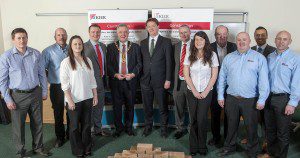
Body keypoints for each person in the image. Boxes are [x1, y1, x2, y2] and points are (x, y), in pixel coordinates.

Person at [0, 28, 51, 157]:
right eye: (19, 38)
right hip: (17, 96)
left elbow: (42, 75)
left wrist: (44, 91)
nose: (22, 40)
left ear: (27, 38)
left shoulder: (36, 53)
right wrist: (7, 99)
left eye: (24, 37)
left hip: (35, 93)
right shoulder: (6, 57)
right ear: (13, 40)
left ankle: (38, 148)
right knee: (18, 127)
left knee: (37, 123)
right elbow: (2, 80)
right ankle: (20, 152)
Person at [217, 32, 269, 157]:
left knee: (251, 127)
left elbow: (263, 81)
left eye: (244, 39)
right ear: (236, 41)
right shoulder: (229, 57)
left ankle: (253, 150)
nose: (241, 42)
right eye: (239, 40)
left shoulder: (259, 58)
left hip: (250, 100)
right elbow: (222, 78)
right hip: (231, 99)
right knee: (231, 125)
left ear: (249, 41)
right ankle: (229, 147)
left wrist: (262, 99)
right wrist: (220, 95)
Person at [60, 35, 98, 157]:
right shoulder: (66, 62)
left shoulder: (88, 60)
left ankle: (87, 148)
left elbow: (92, 80)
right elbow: (64, 84)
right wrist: (70, 100)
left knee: (87, 125)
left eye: (79, 44)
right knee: (75, 127)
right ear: (71, 46)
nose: (78, 46)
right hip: (74, 100)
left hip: (87, 98)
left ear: (82, 46)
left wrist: (95, 96)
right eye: (75, 44)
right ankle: (78, 150)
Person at [264, 31, 300, 158]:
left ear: (290, 41)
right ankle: (270, 153)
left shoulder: (296, 58)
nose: (281, 41)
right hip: (268, 98)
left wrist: (292, 103)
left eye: (285, 39)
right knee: (270, 129)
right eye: (279, 38)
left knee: (283, 132)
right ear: (275, 40)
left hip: (283, 99)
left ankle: (280, 156)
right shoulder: (270, 57)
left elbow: (297, 83)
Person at [183, 31, 219, 156]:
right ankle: (193, 146)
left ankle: (202, 146)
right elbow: (186, 75)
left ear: (206, 41)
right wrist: (193, 90)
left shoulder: (212, 55)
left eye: (201, 40)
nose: (199, 42)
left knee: (202, 119)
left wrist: (205, 91)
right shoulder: (189, 54)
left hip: (206, 92)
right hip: (191, 91)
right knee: (193, 119)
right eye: (197, 40)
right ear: (194, 41)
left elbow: (214, 76)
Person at [106, 24, 142, 137]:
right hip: (116, 82)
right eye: (121, 32)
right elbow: (108, 64)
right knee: (117, 107)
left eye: (125, 32)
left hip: (130, 81)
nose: (123, 34)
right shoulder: (111, 47)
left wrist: (133, 74)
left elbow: (139, 64)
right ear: (117, 33)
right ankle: (118, 128)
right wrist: (115, 74)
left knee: (130, 106)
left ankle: (129, 127)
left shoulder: (135, 47)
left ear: (128, 33)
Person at [140, 18, 173, 138]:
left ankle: (164, 129)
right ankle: (148, 127)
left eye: (153, 26)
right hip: (145, 81)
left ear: (158, 26)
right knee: (147, 106)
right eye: (149, 26)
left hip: (161, 81)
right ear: (146, 28)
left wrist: (168, 79)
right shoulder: (142, 42)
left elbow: (169, 62)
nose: (151, 28)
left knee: (163, 107)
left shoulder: (166, 41)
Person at [209, 25, 237, 146]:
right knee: (215, 113)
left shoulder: (234, 47)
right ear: (215, 36)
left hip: (231, 87)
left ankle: (227, 138)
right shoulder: (208, 47)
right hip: (214, 87)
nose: (222, 37)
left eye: (224, 34)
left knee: (229, 114)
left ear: (227, 35)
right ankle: (216, 137)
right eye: (219, 34)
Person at [42, 28, 70, 147]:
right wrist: (48, 81)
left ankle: (71, 134)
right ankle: (60, 137)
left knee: (72, 112)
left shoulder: (73, 48)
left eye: (63, 34)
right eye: (59, 35)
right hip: (57, 87)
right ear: (55, 37)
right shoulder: (48, 51)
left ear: (67, 36)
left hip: (71, 87)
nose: (61, 37)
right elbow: (42, 69)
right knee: (58, 113)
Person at [84, 24, 110, 136]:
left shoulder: (103, 46)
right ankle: (89, 131)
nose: (96, 34)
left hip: (102, 81)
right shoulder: (83, 47)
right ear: (89, 33)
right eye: (93, 32)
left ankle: (98, 129)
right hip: (89, 83)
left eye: (98, 32)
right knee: (90, 108)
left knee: (99, 107)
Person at [173, 24, 191, 139]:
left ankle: (191, 129)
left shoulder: (197, 44)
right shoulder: (176, 46)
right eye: (181, 33)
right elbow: (173, 64)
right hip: (178, 82)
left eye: (185, 32)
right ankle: (180, 128)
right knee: (178, 107)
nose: (183, 35)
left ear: (190, 32)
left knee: (191, 108)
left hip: (191, 83)